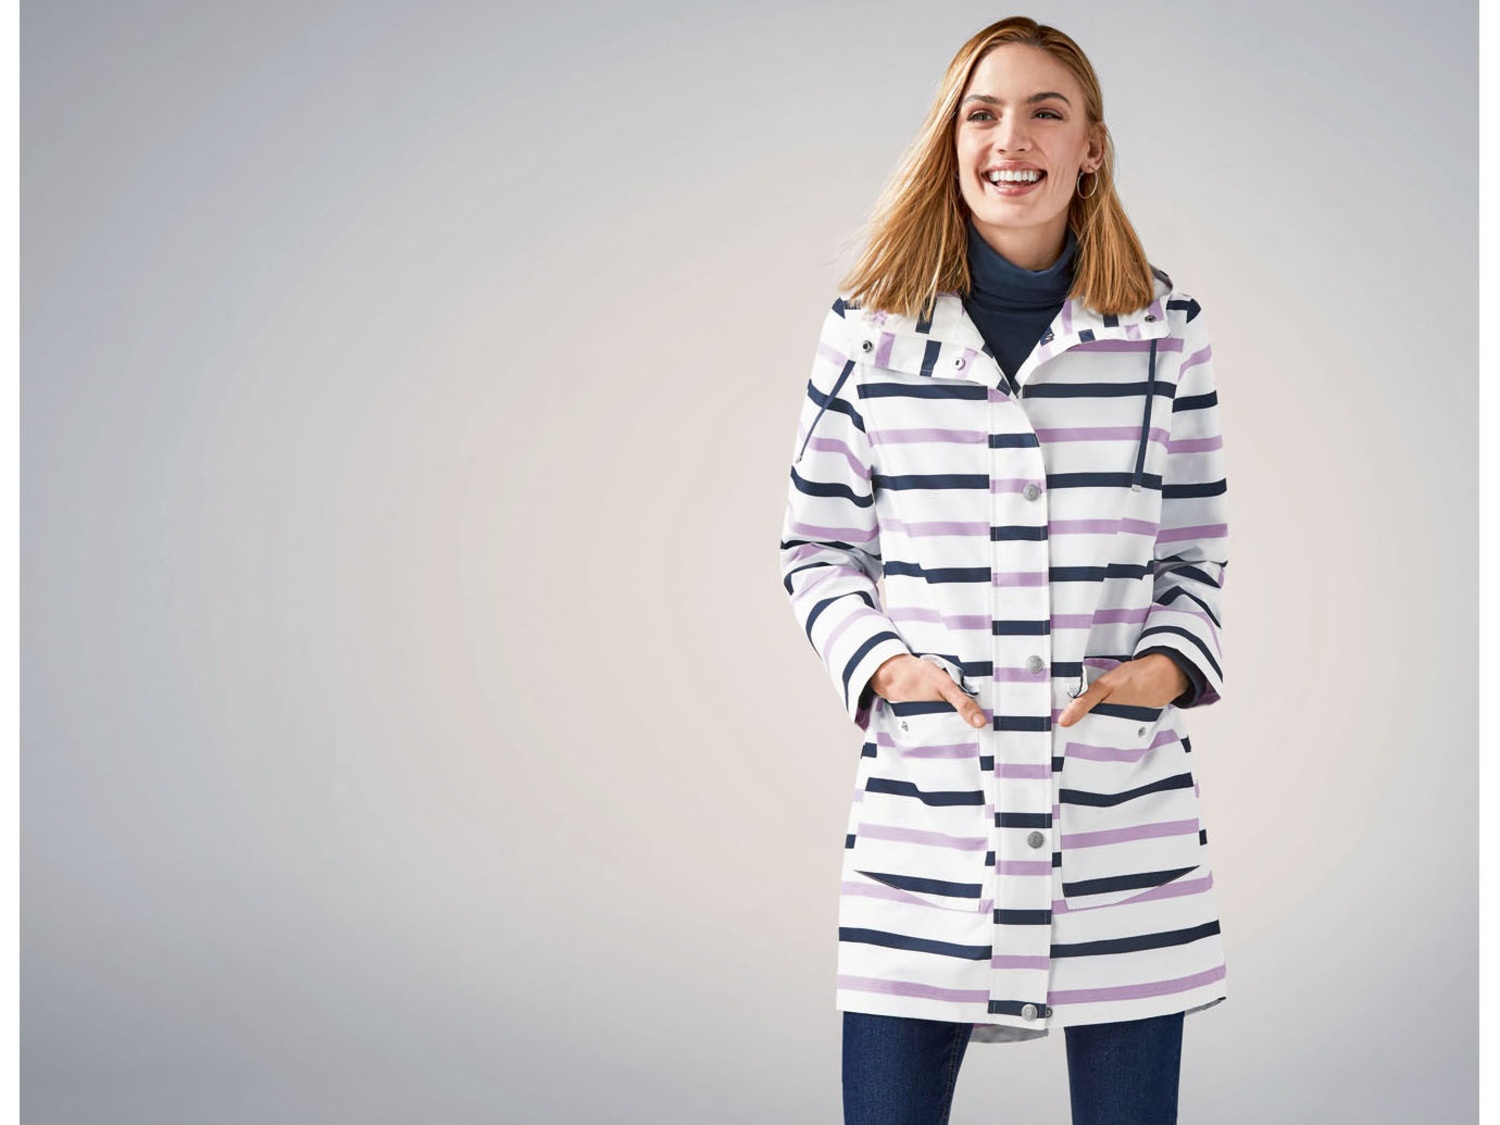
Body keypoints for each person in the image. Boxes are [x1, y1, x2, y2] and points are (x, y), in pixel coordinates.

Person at [776, 16, 1231, 1125]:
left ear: (1092, 147)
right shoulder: (870, 332)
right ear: (952, 140)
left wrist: (1166, 670)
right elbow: (816, 544)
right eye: (982, 113)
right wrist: (885, 668)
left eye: (1045, 112)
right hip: (931, 815)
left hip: (1117, 813)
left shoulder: (1164, 331)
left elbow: (1193, 553)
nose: (1010, 138)